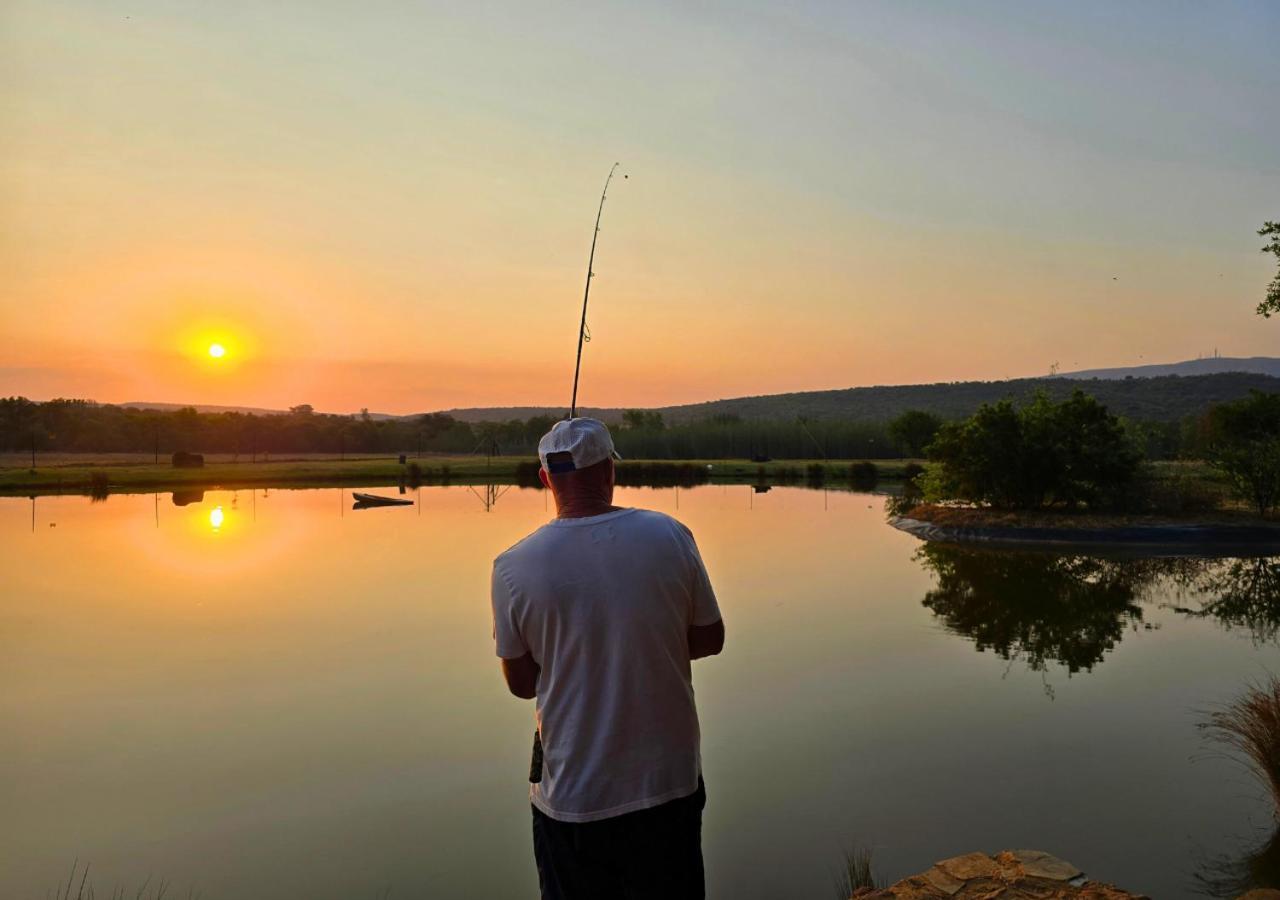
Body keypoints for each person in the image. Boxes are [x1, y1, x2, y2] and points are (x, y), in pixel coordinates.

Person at [491, 417, 725, 900]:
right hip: (669, 784)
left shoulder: (512, 566)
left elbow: (521, 683)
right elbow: (709, 639)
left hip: (574, 798)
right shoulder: (670, 534)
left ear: (545, 479)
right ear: (608, 472)